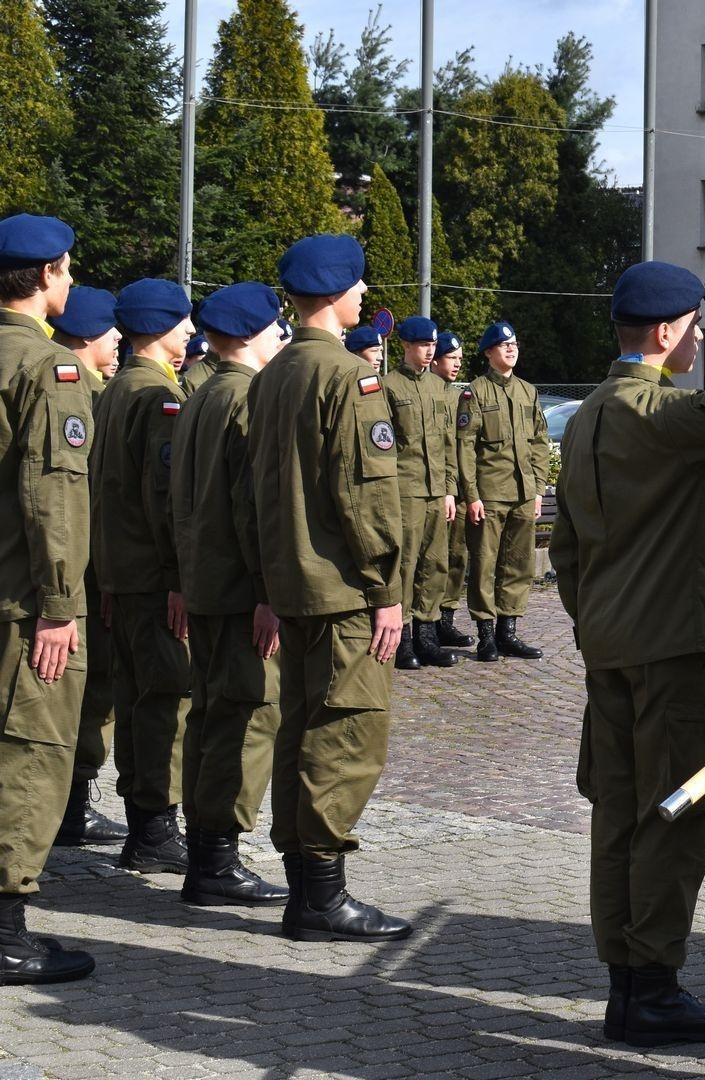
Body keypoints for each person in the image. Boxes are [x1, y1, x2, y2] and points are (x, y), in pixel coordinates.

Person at [549, 262, 705, 1047]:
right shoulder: (661, 414)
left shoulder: (588, 414)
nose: (700, 338)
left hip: (610, 650)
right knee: (673, 813)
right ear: (664, 332)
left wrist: (595, 624)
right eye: (695, 326)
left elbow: (564, 552)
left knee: (617, 815)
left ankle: (626, 986)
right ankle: (654, 986)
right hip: (671, 653)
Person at [249, 233, 410, 942]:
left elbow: (252, 492)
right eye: (359, 286)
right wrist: (387, 587)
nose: (364, 298)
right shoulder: (349, 377)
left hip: (291, 583)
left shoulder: (271, 375)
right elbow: (367, 494)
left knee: (300, 732)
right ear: (338, 292)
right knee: (344, 735)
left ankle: (305, 889)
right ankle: (321, 897)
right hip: (344, 590)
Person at [170, 281, 292, 908]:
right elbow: (251, 508)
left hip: (206, 583)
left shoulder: (201, 395)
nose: (282, 336)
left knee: (211, 716)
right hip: (240, 589)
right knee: (248, 716)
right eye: (275, 328)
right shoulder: (245, 399)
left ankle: (205, 851)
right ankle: (218, 858)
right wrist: (269, 591)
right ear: (248, 336)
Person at [0, 213, 98, 984]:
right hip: (24, 601)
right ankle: (6, 933)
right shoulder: (46, 368)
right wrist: (60, 606)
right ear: (47, 273)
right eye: (66, 269)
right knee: (30, 757)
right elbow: (52, 494)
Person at [92, 277, 195, 875]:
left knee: (135, 700)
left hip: (123, 574)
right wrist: (179, 578)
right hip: (154, 580)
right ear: (162, 327)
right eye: (182, 322)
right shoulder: (156, 394)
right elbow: (163, 499)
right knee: (164, 702)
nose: (189, 333)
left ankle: (143, 825)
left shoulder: (114, 390)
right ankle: (156, 829)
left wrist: (108, 577)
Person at [46, 286, 127, 848]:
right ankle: (71, 806)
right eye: (110, 329)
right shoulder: (83, 394)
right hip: (86, 573)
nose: (119, 339)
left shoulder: (101, 392)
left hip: (84, 569)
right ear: (89, 334)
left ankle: (73, 803)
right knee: (88, 693)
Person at [455, 320, 550, 663]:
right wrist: (472, 494)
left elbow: (540, 442)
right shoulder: (475, 392)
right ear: (489, 353)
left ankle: (507, 632)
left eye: (514, 345)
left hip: (524, 492)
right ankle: (485, 636)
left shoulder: (528, 391)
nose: (511, 349)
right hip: (490, 492)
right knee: (484, 564)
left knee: (518, 563)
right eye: (503, 345)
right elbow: (465, 446)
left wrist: (538, 487)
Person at [381, 315, 459, 670]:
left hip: (435, 490)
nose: (430, 352)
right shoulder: (389, 386)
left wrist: (449, 490)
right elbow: (384, 445)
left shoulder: (440, 388)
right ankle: (405, 638)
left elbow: (448, 443)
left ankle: (428, 635)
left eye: (432, 345)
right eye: (423, 345)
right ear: (406, 346)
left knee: (436, 563)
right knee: (407, 564)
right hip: (406, 488)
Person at [430, 330, 472, 647]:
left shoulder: (460, 397)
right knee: (430, 560)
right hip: (431, 489)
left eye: (459, 359)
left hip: (456, 489)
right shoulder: (428, 393)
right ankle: (424, 624)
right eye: (451, 358)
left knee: (456, 556)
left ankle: (446, 617)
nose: (457, 364)